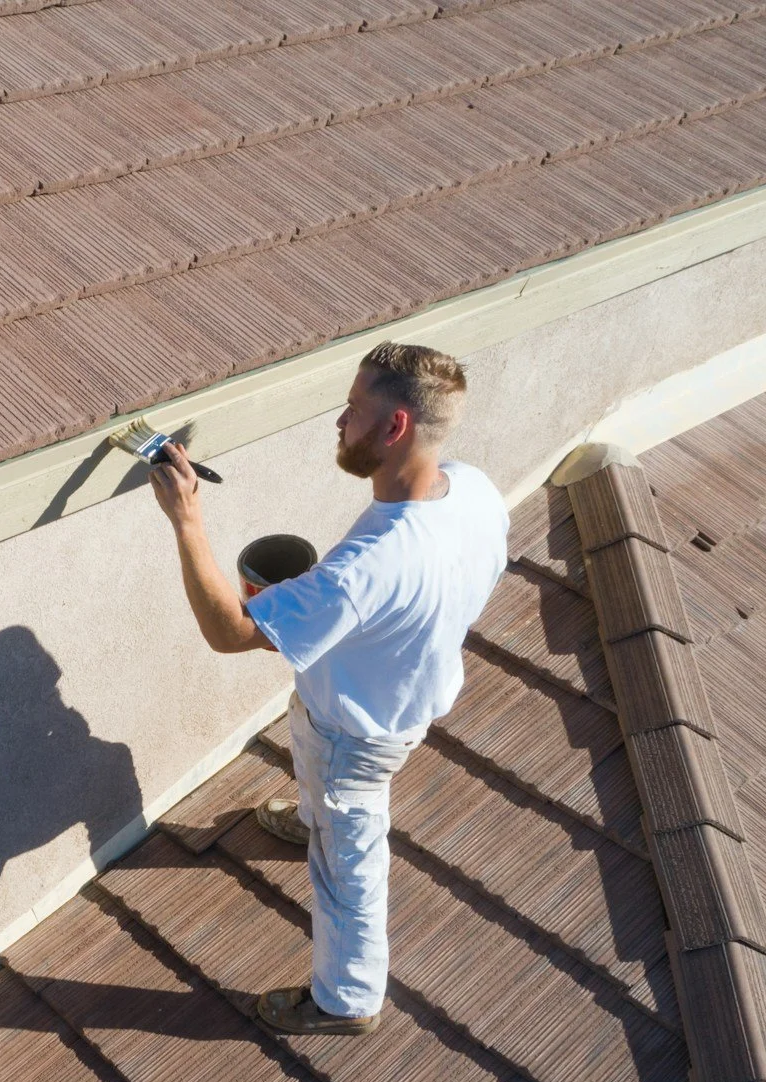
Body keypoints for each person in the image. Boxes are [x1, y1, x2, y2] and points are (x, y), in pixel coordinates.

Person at [149, 342, 507, 1036]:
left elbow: (228, 631)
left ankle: (346, 999)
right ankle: (314, 815)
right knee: (323, 783)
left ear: (395, 428)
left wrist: (188, 519)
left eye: (353, 409)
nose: (338, 422)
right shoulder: (473, 489)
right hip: (395, 701)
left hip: (357, 735)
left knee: (349, 868)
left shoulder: (369, 567)